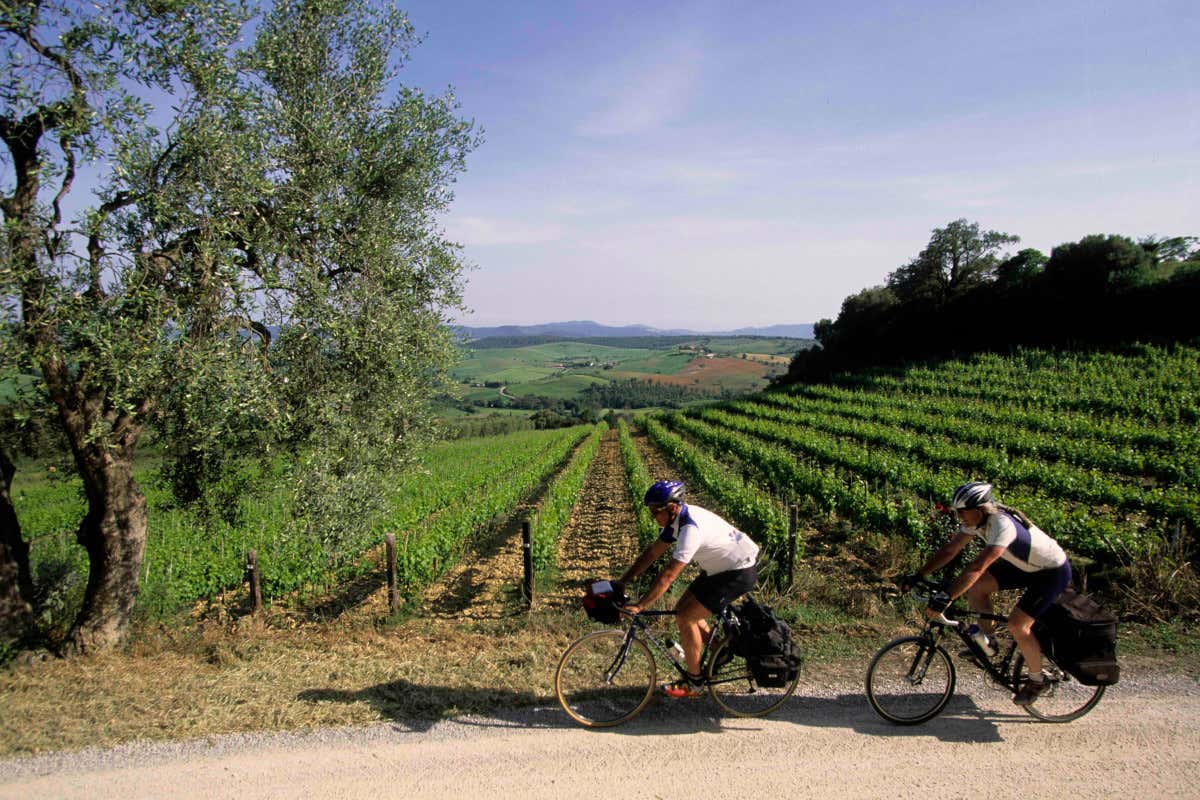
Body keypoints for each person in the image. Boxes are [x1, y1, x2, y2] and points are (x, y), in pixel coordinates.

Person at [901, 481, 1073, 705]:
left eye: (962, 512)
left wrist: (948, 597)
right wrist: (919, 574)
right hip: (1024, 565)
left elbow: (977, 567)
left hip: (1051, 572)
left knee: (1018, 625)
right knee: (978, 587)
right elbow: (950, 550)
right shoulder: (978, 520)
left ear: (979, 509)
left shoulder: (1002, 526)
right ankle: (988, 645)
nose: (958, 516)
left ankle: (1036, 680)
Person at [620, 480, 760, 698]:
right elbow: (651, 553)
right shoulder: (676, 521)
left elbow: (668, 576)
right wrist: (622, 581)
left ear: (672, 507)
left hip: (738, 571)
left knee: (686, 618)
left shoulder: (690, 530)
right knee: (681, 609)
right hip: (719, 569)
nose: (653, 516)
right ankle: (719, 651)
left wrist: (640, 606)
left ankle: (694, 683)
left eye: (656, 511)